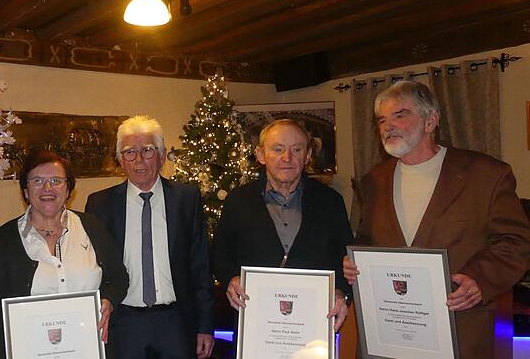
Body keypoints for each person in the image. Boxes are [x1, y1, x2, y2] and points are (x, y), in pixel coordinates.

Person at [343, 80, 530, 359]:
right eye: (382, 119)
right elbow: (367, 238)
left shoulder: (486, 174)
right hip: (390, 330)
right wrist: (355, 261)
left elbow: (517, 241)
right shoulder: (374, 180)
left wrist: (480, 279)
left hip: (460, 327)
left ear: (431, 121)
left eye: (400, 115)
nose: (387, 126)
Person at [0, 149, 129, 359]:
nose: (47, 188)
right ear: (25, 191)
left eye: (56, 180)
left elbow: (118, 277)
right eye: (37, 181)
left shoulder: (93, 228)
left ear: (68, 190)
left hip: (88, 350)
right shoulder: (2, 242)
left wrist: (109, 300)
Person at [85, 115, 215, 359]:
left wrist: (205, 326)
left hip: (175, 321)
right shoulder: (100, 204)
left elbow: (200, 265)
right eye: (129, 152)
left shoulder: (186, 199)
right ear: (120, 160)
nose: (139, 160)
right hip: (123, 323)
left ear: (162, 156)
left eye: (147, 150)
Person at [212, 119, 354, 331]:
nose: (287, 158)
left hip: (313, 322)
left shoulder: (331, 201)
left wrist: (341, 292)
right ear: (260, 155)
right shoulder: (238, 201)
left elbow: (346, 260)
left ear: (307, 156)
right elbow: (220, 255)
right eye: (277, 149)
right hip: (255, 321)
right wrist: (230, 278)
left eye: (296, 149)